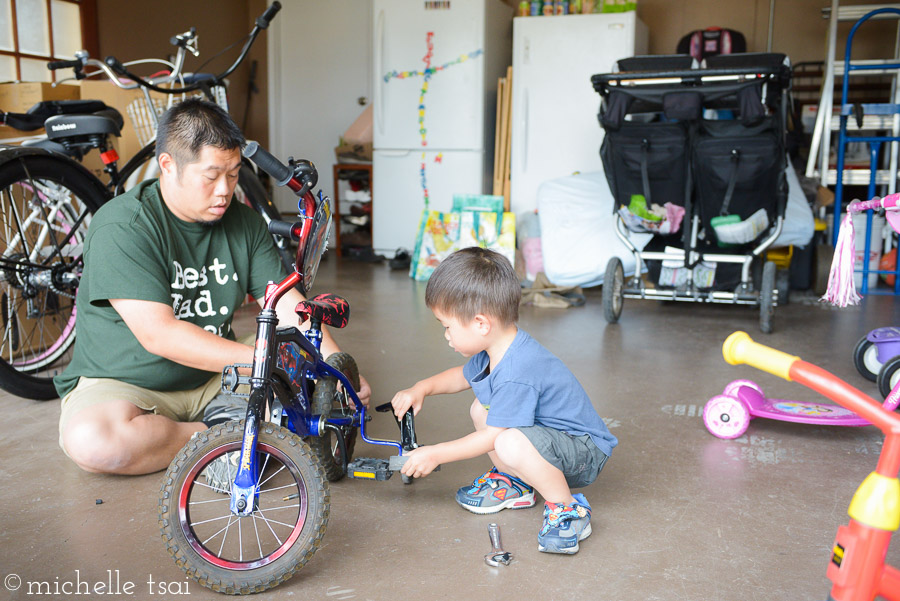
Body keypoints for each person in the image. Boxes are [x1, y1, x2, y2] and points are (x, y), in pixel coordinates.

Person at [56, 98, 370, 475]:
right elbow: (161, 336)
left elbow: (289, 305)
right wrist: (262, 362)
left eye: (234, 174)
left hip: (218, 373)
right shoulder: (123, 226)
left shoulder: (246, 224)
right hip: (129, 383)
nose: (225, 190)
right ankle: (217, 439)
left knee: (307, 403)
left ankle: (234, 438)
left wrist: (334, 370)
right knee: (94, 442)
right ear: (168, 166)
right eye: (211, 176)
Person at [390, 247, 615, 555]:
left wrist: (436, 454)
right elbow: (461, 377)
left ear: (482, 324)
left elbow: (493, 439)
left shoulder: (516, 370)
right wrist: (422, 388)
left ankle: (567, 509)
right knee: (479, 408)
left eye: (447, 326)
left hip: (584, 451)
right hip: (552, 440)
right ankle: (517, 485)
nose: (446, 335)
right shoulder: (494, 349)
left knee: (507, 440)